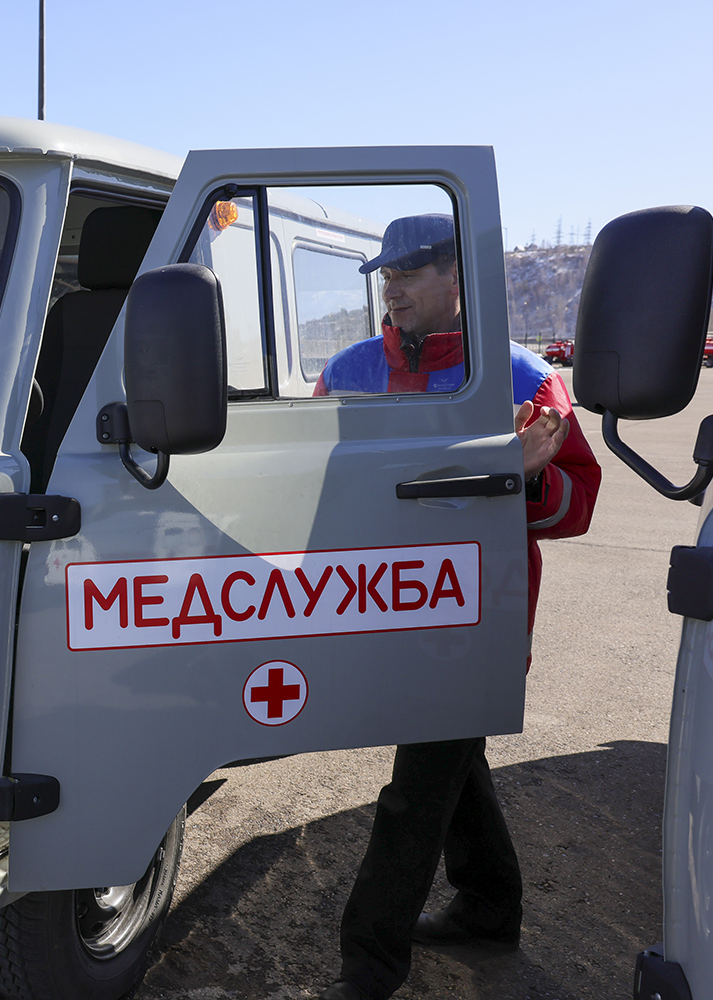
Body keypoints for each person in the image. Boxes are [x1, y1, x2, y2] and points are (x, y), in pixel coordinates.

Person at [312, 213, 602, 1000]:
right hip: (378, 606)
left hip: (474, 619)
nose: (393, 288)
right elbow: (317, 490)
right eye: (387, 274)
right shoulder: (346, 371)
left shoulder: (523, 379)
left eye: (409, 271)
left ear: (457, 277)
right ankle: (488, 909)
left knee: (418, 789)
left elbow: (577, 506)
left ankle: (368, 966)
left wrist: (528, 476)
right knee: (452, 760)